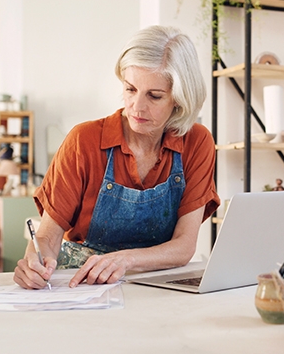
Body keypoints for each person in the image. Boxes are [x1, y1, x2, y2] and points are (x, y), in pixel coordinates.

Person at [13, 25, 220, 289]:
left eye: (154, 96)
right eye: (130, 89)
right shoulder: (83, 141)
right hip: (82, 286)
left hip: (157, 286)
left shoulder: (196, 142)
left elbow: (184, 246)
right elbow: (48, 238)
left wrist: (125, 260)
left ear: (179, 100)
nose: (137, 106)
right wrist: (34, 262)